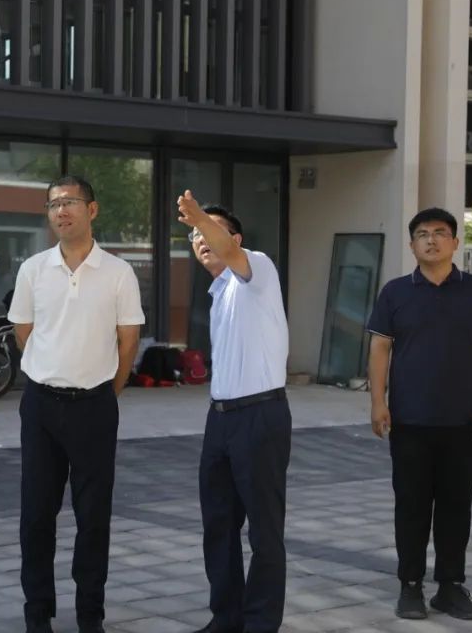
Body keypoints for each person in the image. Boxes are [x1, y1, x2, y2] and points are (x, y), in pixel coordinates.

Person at [8, 175, 145, 633]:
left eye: (70, 202)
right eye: (53, 205)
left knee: (93, 517)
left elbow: (129, 341)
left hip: (95, 407)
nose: (61, 211)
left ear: (93, 209)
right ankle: (37, 613)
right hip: (41, 406)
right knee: (35, 515)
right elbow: (24, 332)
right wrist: (51, 368)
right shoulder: (33, 269)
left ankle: (90, 615)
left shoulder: (118, 272)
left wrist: (107, 391)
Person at [367, 207, 472, 622]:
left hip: (463, 424)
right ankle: (410, 585)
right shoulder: (395, 293)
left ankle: (450, 587)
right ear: (412, 245)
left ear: (455, 242)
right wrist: (378, 402)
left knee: (455, 508)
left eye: (440, 232)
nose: (431, 240)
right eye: (423, 234)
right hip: (409, 422)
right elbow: (379, 348)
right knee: (411, 507)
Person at [176, 191, 291, 633]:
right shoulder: (217, 291)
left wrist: (199, 217)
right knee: (218, 526)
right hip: (220, 419)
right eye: (194, 236)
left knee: (264, 530)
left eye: (209, 231)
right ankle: (226, 619)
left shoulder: (257, 269)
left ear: (235, 239)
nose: (201, 239)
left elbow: (229, 250)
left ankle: (260, 623)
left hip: (260, 416)